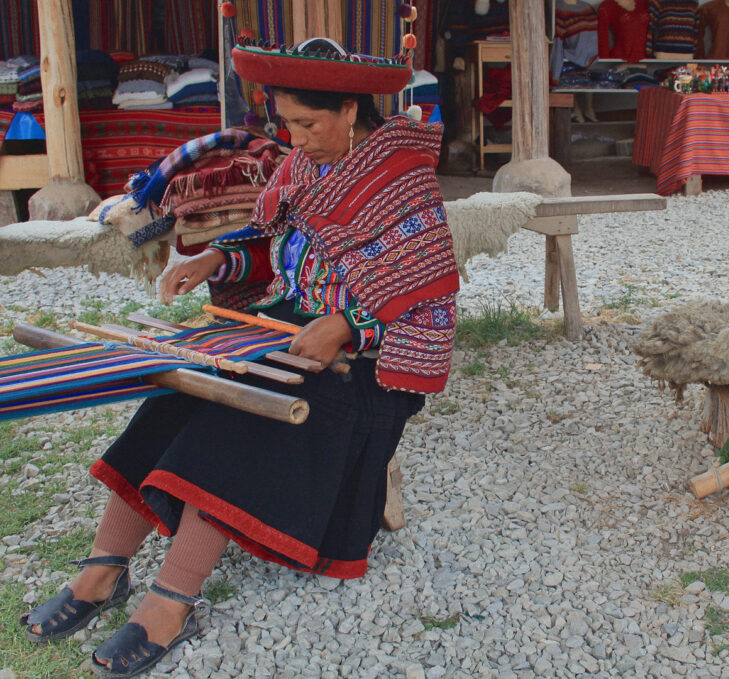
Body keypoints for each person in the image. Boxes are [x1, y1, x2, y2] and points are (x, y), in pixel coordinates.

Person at [19, 37, 458, 679]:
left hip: (367, 361)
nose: (297, 139)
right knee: (177, 390)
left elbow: (430, 282)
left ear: (349, 113)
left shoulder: (404, 178)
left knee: (240, 418)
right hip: (286, 324)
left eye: (308, 124)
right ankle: (101, 569)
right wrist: (215, 258)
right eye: (288, 125)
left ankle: (173, 599)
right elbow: (266, 242)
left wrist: (348, 325)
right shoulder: (303, 167)